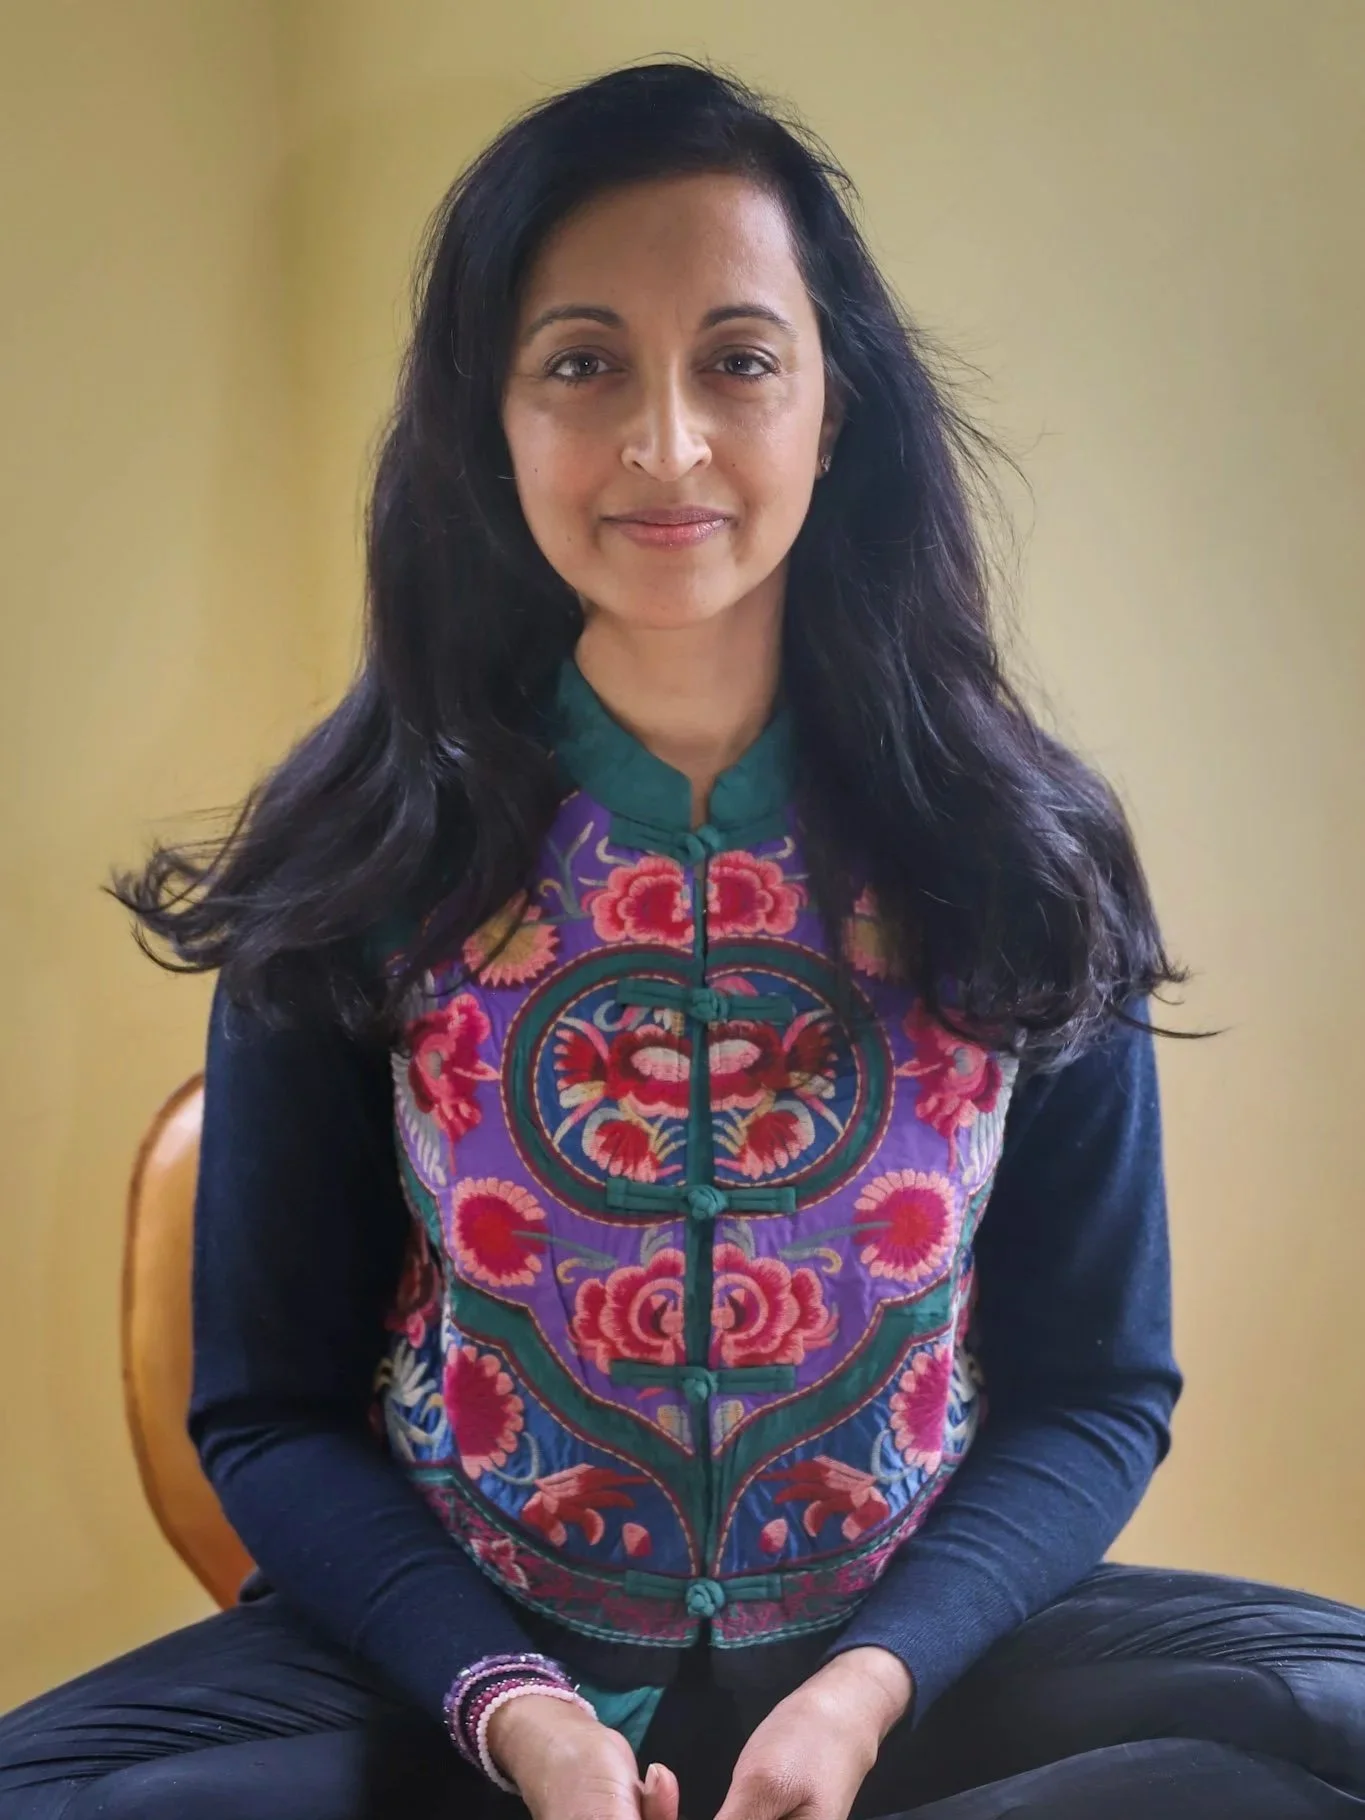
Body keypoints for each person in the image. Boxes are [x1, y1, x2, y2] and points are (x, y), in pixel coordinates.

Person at [2, 57, 1362, 1820]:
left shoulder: (1021, 851)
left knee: (1335, 1719)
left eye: (738, 359)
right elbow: (265, 1414)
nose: (665, 445)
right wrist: (519, 1713)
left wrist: (862, 1699)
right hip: (467, 1694)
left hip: (908, 1679)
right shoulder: (360, 852)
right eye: (582, 365)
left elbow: (1097, 1387)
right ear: (490, 421)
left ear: (832, 406)